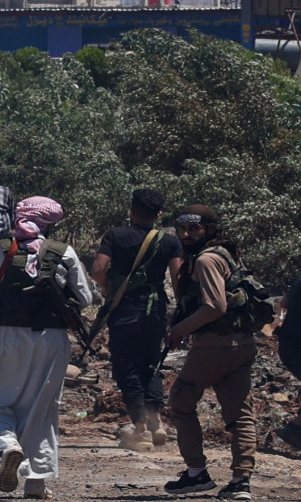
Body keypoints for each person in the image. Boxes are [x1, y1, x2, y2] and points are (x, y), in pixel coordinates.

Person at [0, 196, 93, 499]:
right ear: (50, 224)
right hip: (51, 339)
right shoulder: (64, 252)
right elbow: (85, 299)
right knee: (42, 408)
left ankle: (7, 444)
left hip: (5, 335)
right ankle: (36, 483)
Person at [163, 205, 256, 501]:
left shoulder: (205, 260)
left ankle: (196, 472)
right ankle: (241, 482)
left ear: (210, 230)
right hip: (242, 343)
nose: (186, 234)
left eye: (194, 229)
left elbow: (215, 306)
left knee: (181, 400)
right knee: (240, 414)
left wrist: (179, 330)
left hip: (215, 345)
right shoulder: (225, 254)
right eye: (182, 229)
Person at [90, 189, 182, 451]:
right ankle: (156, 422)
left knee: (126, 365)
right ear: (159, 214)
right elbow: (178, 279)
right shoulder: (170, 241)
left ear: (131, 210)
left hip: (125, 309)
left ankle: (140, 431)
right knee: (150, 363)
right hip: (156, 310)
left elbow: (98, 270)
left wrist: (109, 289)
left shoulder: (115, 235)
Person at [274, 269, 301, 450]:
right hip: (296, 346)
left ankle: (296, 430)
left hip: (289, 343)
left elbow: (283, 302)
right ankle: (296, 430)